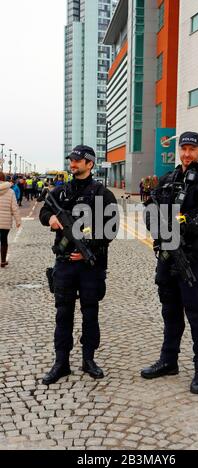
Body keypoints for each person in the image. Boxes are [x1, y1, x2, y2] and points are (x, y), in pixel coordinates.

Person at [141, 131, 198, 394]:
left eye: (192, 149)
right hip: (167, 258)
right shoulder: (168, 179)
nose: (187, 154)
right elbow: (150, 210)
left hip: (193, 261)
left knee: (197, 314)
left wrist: (190, 251)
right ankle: (169, 360)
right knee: (170, 312)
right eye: (183, 149)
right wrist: (160, 239)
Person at [39, 145, 118, 385]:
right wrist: (50, 218)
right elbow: (44, 212)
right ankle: (61, 363)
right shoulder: (60, 191)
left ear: (89, 164)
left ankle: (88, 360)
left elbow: (112, 229)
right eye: (71, 160)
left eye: (77, 160)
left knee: (90, 314)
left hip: (90, 266)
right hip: (63, 264)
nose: (72, 164)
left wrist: (88, 250)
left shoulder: (103, 194)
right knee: (63, 313)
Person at [0, 172, 21, 268]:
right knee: (4, 240)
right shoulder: (10, 191)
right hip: (5, 221)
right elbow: (14, 207)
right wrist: (18, 221)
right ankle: (3, 261)